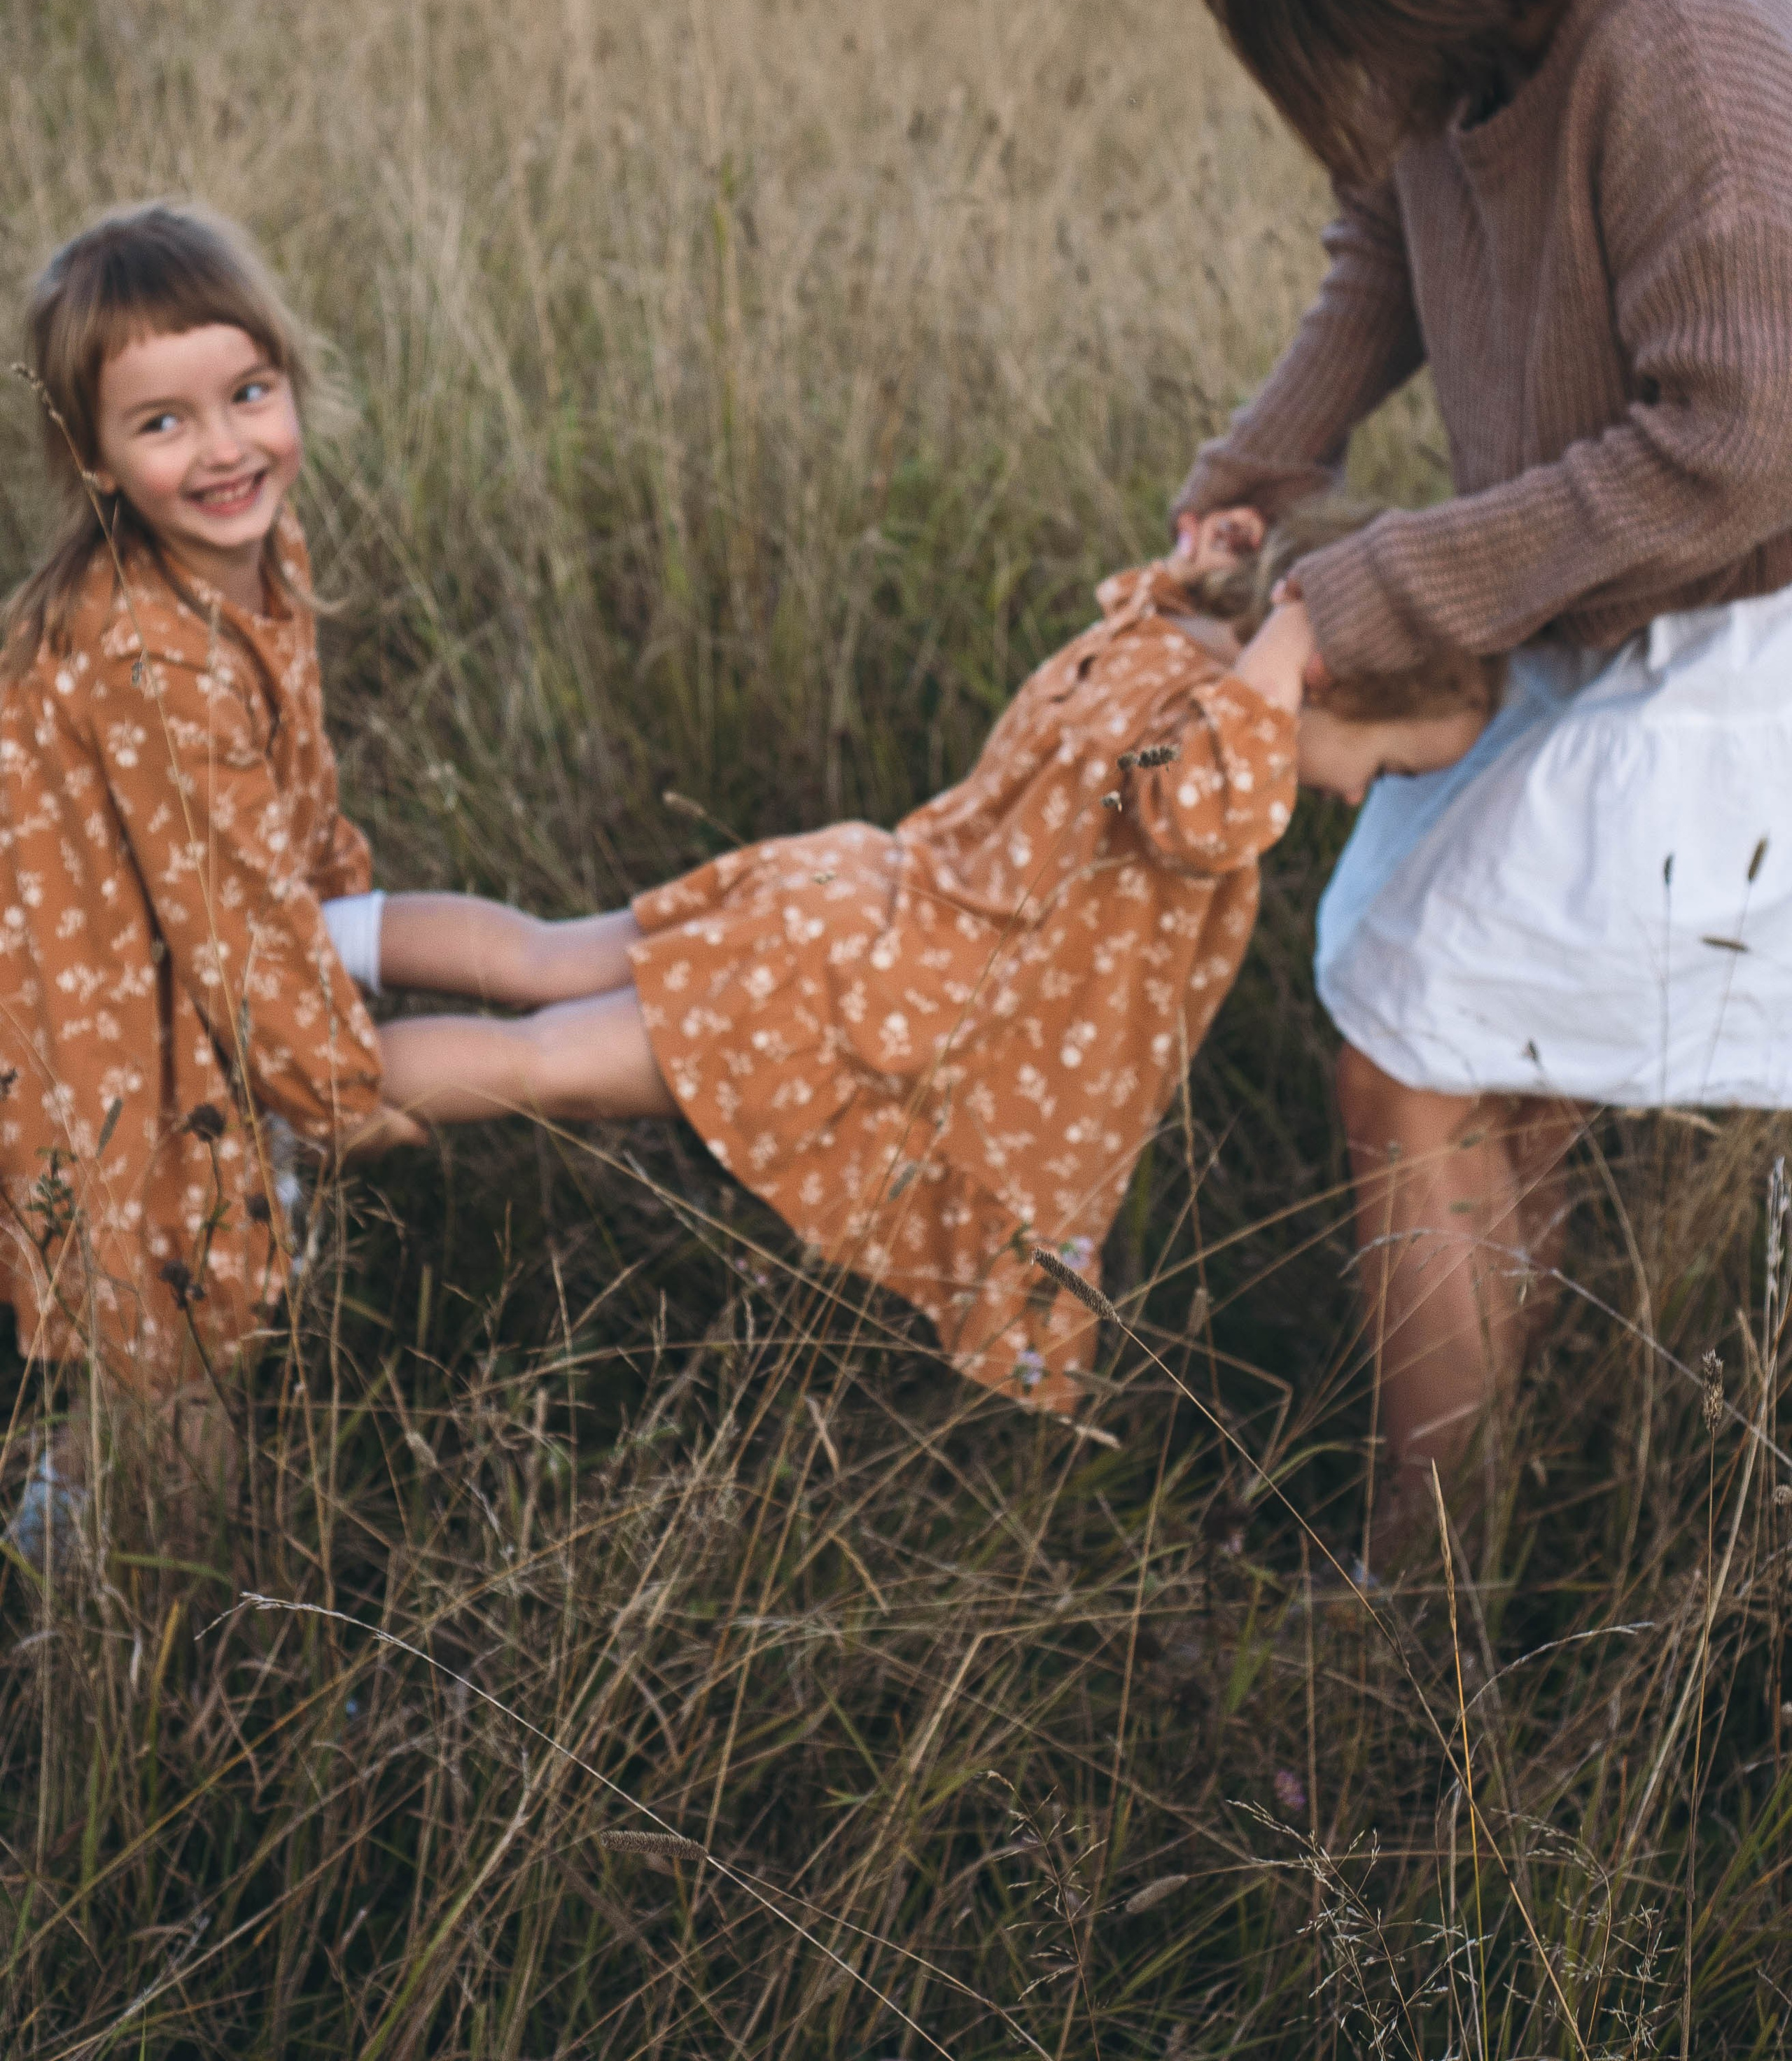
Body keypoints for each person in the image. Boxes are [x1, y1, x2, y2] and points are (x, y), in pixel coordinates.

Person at [1172, 0, 1792, 1559]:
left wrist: (1360, 592)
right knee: (1485, 1071)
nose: (1354, 75)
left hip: (1748, 635)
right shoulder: (1478, 3)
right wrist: (1264, 469)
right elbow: (1388, 222)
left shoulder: (1680, 55)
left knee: (1416, 1053)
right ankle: (1476, 1530)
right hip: (1611, 597)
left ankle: (1412, 1592)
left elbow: (1744, 446)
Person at [374, 498, 1499, 1412]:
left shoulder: (1150, 653)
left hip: (845, 900)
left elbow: (1156, 749)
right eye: (1387, 767)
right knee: (545, 1065)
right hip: (874, 995)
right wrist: (1298, 633)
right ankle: (291, 1080)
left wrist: (1237, 597)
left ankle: (326, 940)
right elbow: (1202, 809)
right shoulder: (1202, 751)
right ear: (1327, 680)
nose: (1356, 796)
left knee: (542, 959)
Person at [0, 204, 628, 1551]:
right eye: (163, 423)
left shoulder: (252, 550)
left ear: (289, 381)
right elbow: (230, 939)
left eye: (247, 394)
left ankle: (626, 949)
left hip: (197, 930)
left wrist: (338, 920)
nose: (225, 446)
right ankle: (149, 1616)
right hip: (112, 1017)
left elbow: (275, 817)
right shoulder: (144, 655)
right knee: (177, 1345)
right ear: (94, 460)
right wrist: (336, 1097)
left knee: (509, 953)